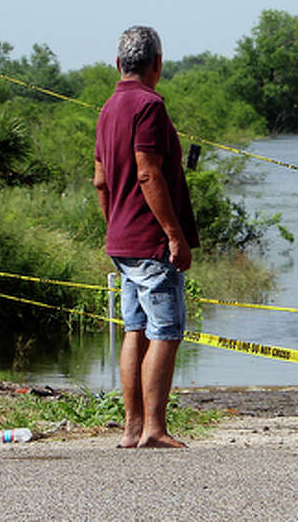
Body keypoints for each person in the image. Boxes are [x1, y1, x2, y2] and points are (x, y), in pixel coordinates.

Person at [94, 26, 199, 448]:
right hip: (150, 243)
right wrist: (174, 234)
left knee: (135, 329)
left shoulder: (107, 108)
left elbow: (100, 180)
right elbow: (147, 171)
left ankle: (132, 427)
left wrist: (113, 223)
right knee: (166, 330)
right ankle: (154, 428)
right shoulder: (150, 106)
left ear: (119, 64)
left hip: (121, 240)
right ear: (157, 64)